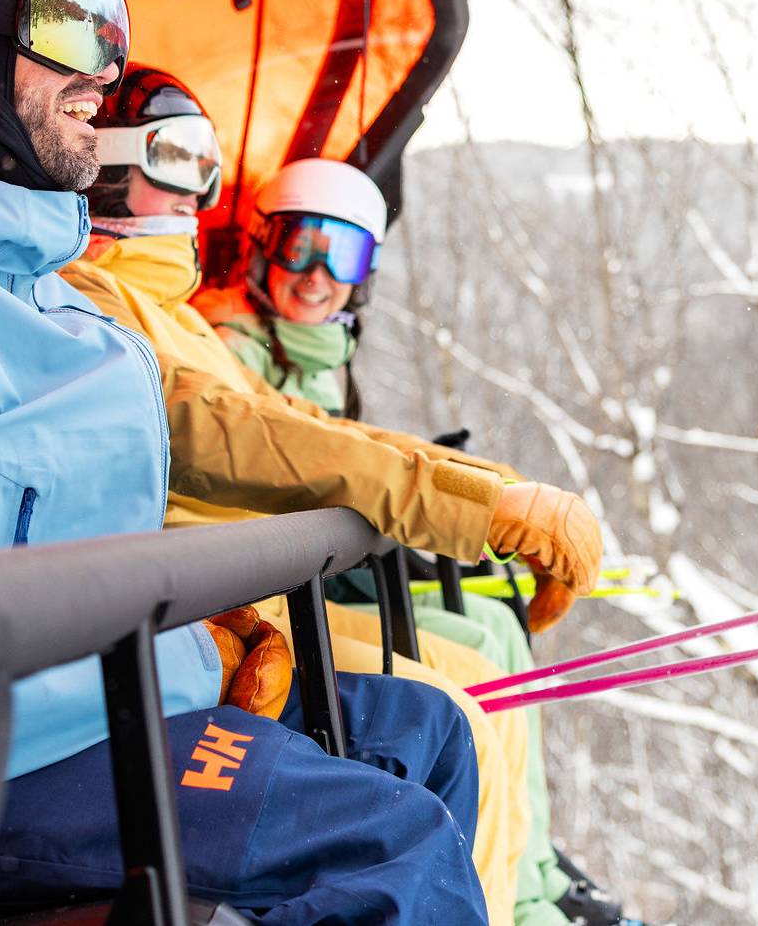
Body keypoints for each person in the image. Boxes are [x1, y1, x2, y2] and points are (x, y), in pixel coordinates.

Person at [0, 0, 489, 924]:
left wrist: (194, 633)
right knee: (389, 850)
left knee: (424, 731)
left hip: (107, 694)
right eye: (71, 20)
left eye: (114, 30)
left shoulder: (49, 295)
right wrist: (169, 652)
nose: (106, 69)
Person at [62, 65, 603, 923]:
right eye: (174, 154)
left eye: (207, 161)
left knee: (464, 687)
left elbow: (276, 422)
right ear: (111, 163)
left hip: (255, 597)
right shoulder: (96, 298)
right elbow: (234, 430)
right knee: (454, 700)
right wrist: (475, 505)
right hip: (219, 612)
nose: (196, 183)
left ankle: (521, 895)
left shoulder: (172, 311)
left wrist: (491, 492)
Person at [196, 158, 623, 926]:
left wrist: (469, 494)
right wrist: (461, 503)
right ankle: (513, 894)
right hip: (269, 588)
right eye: (301, 245)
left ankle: (529, 866)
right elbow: (299, 454)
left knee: (492, 626)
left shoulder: (320, 355)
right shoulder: (231, 346)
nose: (318, 273)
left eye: (344, 255)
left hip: (311, 571)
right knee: (460, 680)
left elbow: (343, 445)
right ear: (264, 246)